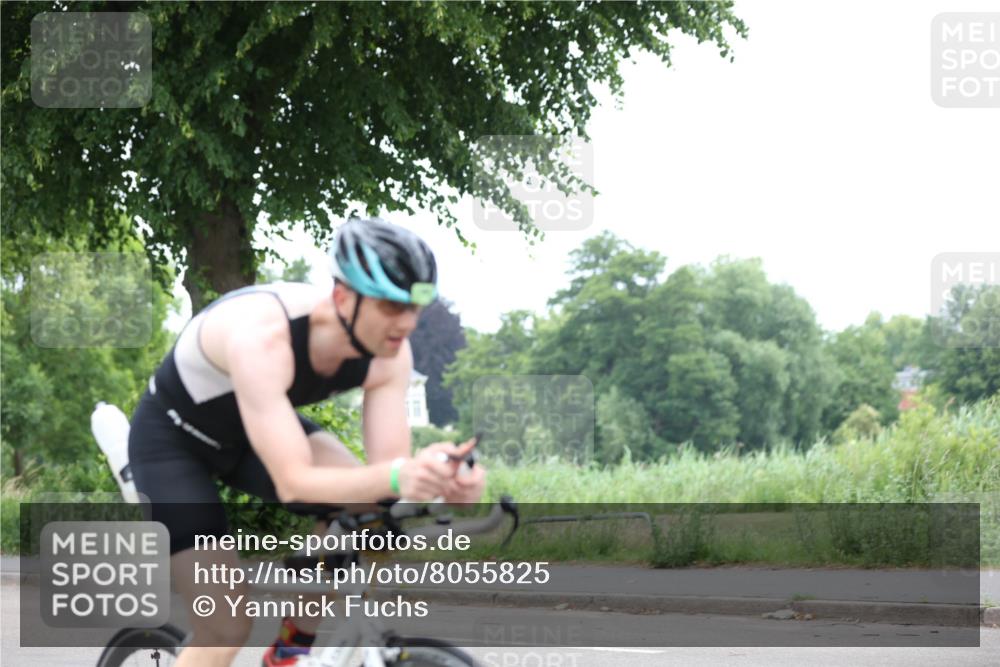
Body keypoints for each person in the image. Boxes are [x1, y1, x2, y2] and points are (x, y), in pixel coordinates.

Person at [127, 217, 486, 667]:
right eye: (392, 307)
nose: (408, 324)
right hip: (174, 443)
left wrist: (442, 482)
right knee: (224, 627)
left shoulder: (391, 352)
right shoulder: (262, 337)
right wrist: (401, 474)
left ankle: (289, 650)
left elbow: (389, 477)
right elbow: (294, 482)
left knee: (371, 513)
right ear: (342, 298)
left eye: (416, 306)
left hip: (251, 433)